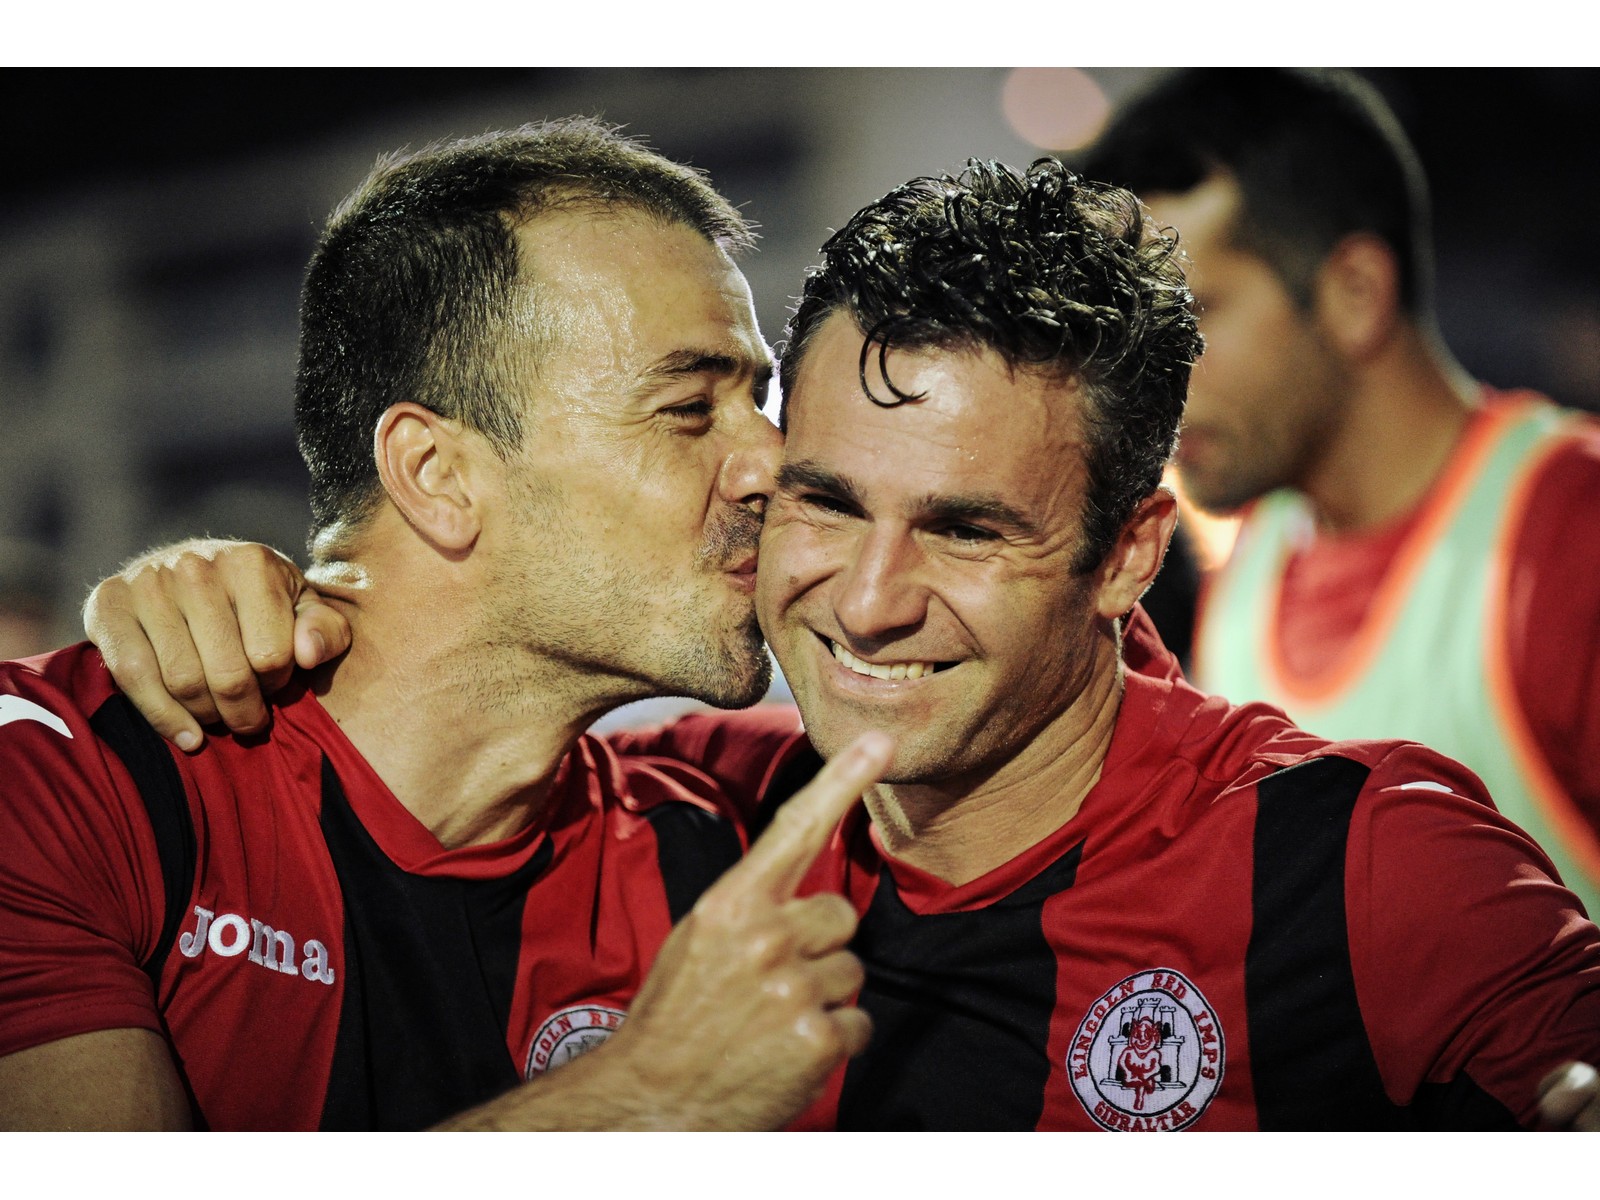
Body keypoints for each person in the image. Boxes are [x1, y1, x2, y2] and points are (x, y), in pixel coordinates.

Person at [80, 156, 1600, 1130]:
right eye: (820, 498)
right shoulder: (705, 816)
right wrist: (246, 591)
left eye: (966, 530)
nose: (866, 602)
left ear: (1129, 555)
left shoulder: (1359, 865)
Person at [0, 118, 897, 1131]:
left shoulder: (737, 817)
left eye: (759, 401)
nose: (770, 466)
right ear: (437, 475)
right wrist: (633, 1100)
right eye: (690, 408)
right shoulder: (60, 780)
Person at [1080, 68, 1600, 915]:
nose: (1146, 379)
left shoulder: (1575, 535)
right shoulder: (1249, 565)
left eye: (1192, 317)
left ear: (1355, 293)